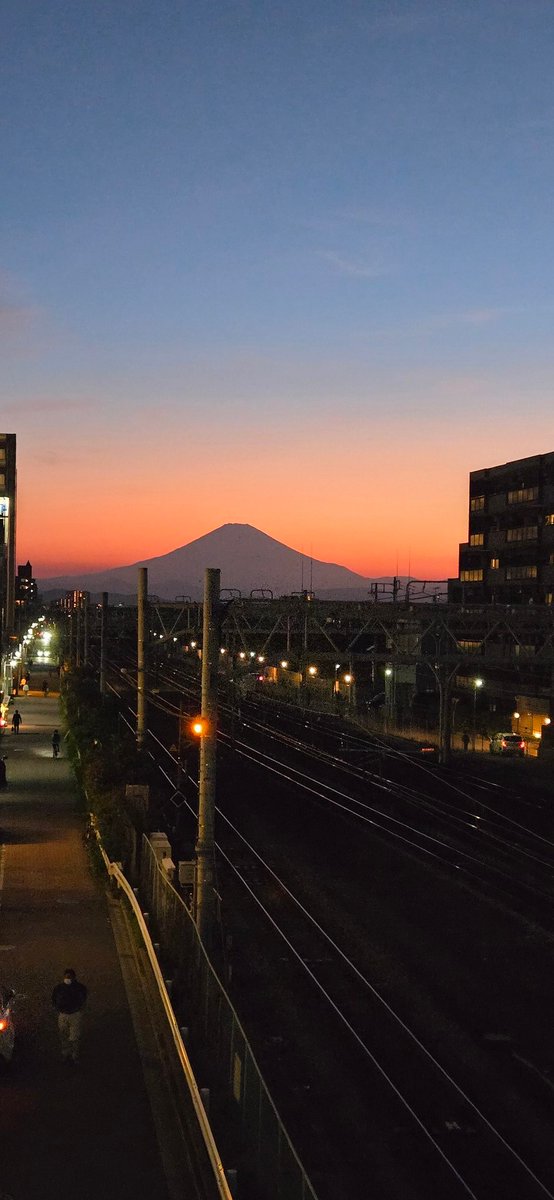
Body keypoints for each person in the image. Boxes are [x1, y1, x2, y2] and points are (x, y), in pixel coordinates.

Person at [52, 969, 87, 1063]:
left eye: (69, 977)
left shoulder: (79, 988)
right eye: (66, 977)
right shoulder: (59, 988)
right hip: (63, 1014)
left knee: (74, 1037)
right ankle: (66, 1053)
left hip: (75, 1014)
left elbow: (83, 999)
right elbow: (54, 999)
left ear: (74, 977)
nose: (67, 979)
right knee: (63, 1035)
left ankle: (74, 1055)